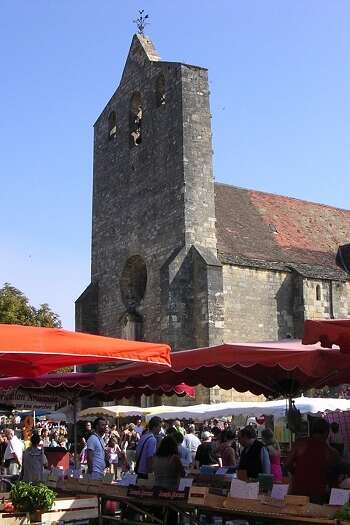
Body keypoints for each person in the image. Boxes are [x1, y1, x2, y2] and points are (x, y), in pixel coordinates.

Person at [286, 418, 348, 503]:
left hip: (297, 493)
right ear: (326, 433)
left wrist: (296, 472)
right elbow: (334, 479)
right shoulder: (331, 452)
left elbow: (287, 464)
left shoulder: (299, 444)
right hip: (318, 496)